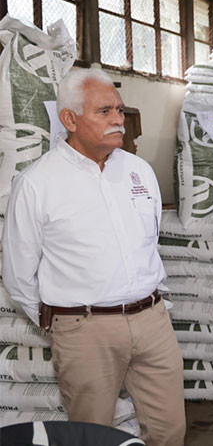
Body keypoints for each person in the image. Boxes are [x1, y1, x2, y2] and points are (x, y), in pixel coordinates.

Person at [2, 68, 185, 446]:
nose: (118, 118)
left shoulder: (139, 171)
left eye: (118, 109)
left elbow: (151, 243)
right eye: (104, 111)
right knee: (92, 435)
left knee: (169, 430)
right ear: (69, 119)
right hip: (85, 330)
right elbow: (18, 274)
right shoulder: (37, 183)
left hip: (152, 321)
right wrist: (66, 323)